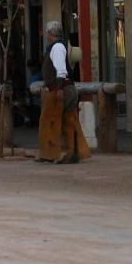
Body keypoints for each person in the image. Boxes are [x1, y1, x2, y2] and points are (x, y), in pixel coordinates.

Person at [36, 21, 91, 164]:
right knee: (67, 121)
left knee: (52, 121)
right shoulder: (57, 47)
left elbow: (61, 70)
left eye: (47, 33)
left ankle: (59, 153)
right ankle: (67, 152)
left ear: (51, 34)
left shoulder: (58, 47)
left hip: (61, 89)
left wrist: (59, 89)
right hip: (62, 88)